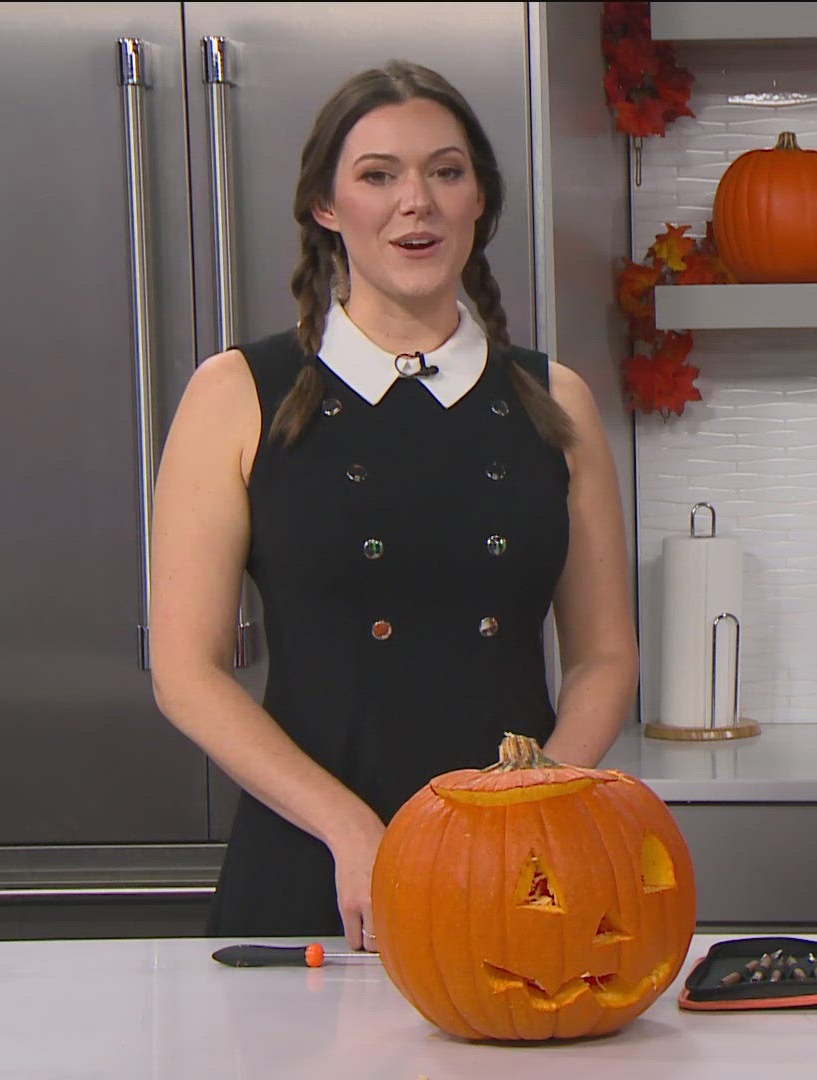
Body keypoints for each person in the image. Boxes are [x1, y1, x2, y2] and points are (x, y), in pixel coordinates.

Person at [149, 61, 636, 949]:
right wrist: (351, 831)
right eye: (378, 175)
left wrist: (537, 803)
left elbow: (605, 656)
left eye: (446, 172)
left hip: (519, 873)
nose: (417, 200)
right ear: (327, 208)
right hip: (314, 872)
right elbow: (188, 672)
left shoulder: (554, 400)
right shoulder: (237, 393)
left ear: (478, 200)